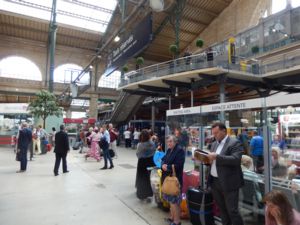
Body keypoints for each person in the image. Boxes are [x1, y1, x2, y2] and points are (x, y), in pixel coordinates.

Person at [207, 122, 244, 225]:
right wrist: (206, 160)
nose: (215, 135)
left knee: (232, 211)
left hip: (229, 182)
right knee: (222, 209)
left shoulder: (234, 142)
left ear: (224, 131)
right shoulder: (214, 144)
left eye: (216, 133)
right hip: (215, 181)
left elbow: (236, 160)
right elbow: (213, 161)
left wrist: (216, 157)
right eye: (213, 133)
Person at [161, 135, 185, 225]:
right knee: (171, 201)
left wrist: (167, 167)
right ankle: (172, 217)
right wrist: (163, 164)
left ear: (175, 142)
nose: (169, 143)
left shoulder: (180, 151)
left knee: (175, 202)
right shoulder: (168, 150)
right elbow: (163, 159)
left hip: (175, 180)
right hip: (168, 179)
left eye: (171, 141)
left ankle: (177, 221)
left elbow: (179, 165)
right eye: (168, 141)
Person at [135, 129, 156, 200]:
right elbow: (154, 152)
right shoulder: (152, 143)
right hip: (150, 161)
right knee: (148, 178)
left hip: (142, 162)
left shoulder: (140, 145)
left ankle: (141, 194)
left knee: (141, 178)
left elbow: (138, 154)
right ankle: (149, 193)